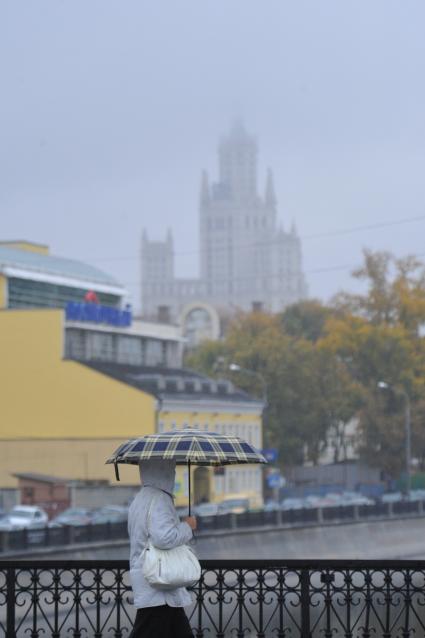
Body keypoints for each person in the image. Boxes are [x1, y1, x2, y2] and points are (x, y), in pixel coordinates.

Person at [128, 459, 197, 638]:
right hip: (158, 582)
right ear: (163, 471)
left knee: (178, 631)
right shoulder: (160, 498)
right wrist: (187, 526)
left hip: (149, 578)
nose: (173, 473)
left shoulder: (140, 498)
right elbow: (164, 538)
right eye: (171, 468)